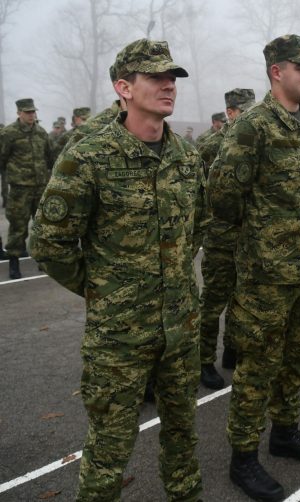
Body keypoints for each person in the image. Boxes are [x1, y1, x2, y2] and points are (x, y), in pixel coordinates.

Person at [29, 38, 205, 501]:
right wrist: (103, 287)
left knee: (184, 436)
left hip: (181, 328)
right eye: (155, 78)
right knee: (109, 450)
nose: (168, 85)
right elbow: (48, 243)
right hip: (118, 338)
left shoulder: (186, 159)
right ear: (123, 87)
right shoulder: (88, 156)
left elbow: (198, 223)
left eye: (173, 78)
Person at [207, 34, 300, 501]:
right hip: (266, 279)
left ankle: (284, 432)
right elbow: (222, 199)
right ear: (276, 71)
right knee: (257, 368)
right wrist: (263, 240)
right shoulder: (253, 127)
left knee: (298, 360)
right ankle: (243, 457)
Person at [198, 87, 256, 389]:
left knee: (241, 299)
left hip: (248, 237)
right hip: (220, 237)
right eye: (243, 111)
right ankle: (203, 360)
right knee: (213, 301)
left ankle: (232, 349)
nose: (249, 116)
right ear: (230, 113)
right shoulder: (210, 145)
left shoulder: (255, 141)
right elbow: (198, 188)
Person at [0, 98, 53, 278]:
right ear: (19, 113)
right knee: (18, 227)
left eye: (33, 112)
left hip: (40, 187)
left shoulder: (41, 132)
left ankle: (42, 261)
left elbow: (50, 158)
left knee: (42, 226)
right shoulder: (9, 133)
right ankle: (14, 263)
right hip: (19, 189)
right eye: (28, 112)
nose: (32, 115)